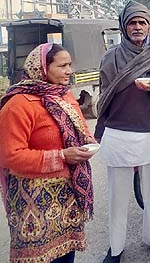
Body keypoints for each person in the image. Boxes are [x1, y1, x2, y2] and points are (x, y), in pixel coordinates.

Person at [95, 1, 150, 263]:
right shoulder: (110, 58)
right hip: (118, 131)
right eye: (132, 22)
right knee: (117, 195)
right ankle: (116, 247)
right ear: (124, 27)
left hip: (149, 131)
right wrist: (99, 131)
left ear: (149, 26)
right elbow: (104, 99)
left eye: (142, 22)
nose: (137, 27)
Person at [0, 43, 96, 263]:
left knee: (65, 257)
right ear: (42, 68)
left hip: (68, 197)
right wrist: (61, 156)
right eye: (62, 65)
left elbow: (80, 128)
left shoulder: (64, 96)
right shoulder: (19, 104)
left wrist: (87, 142)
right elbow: (9, 155)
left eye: (70, 65)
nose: (69, 71)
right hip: (34, 201)